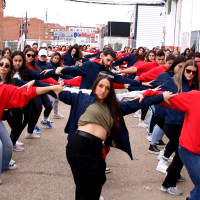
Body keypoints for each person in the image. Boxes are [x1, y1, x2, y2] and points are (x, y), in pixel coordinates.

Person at [54, 71, 173, 200]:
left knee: (96, 180)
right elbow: (53, 91)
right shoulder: (81, 98)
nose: (103, 90)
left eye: (107, 88)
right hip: (79, 144)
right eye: (100, 86)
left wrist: (160, 97)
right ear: (94, 86)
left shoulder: (115, 107)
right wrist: (48, 86)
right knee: (90, 186)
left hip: (95, 147)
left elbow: (136, 103)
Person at [0, 82, 63, 184]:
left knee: (7, 144)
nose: (4, 66)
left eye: (7, 65)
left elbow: (25, 91)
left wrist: (52, 87)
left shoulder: (3, 87)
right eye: (1, 64)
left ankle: (4, 165)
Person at [56, 49, 151, 89]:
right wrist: (57, 71)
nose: (109, 63)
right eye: (107, 60)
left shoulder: (107, 72)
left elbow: (122, 79)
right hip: (84, 98)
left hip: (97, 99)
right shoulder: (89, 65)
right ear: (102, 56)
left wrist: (141, 83)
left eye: (111, 62)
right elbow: (73, 71)